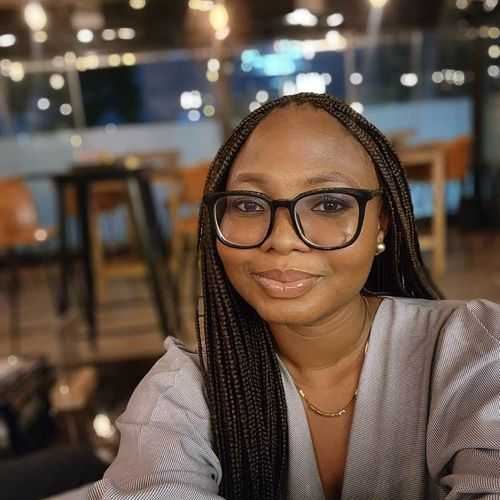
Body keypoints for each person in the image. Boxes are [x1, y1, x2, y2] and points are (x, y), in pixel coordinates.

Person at [87, 93, 500, 500]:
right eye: (248, 205)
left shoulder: (473, 352)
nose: (283, 240)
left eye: (329, 204)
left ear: (381, 225)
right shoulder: (182, 395)